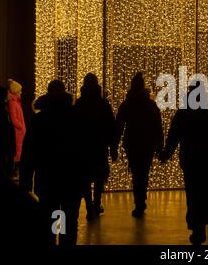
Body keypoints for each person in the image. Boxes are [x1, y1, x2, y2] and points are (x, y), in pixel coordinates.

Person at [20, 80, 85, 246]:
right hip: (71, 177)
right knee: (70, 219)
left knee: (52, 217)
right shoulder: (75, 116)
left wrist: (26, 180)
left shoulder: (40, 119)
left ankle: (52, 241)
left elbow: (29, 151)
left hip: (48, 177)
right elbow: (83, 148)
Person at [159, 79, 208, 245]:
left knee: (193, 193)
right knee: (203, 192)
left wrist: (166, 153)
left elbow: (174, 135)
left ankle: (196, 225)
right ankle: (200, 225)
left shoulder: (184, 113)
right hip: (207, 159)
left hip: (190, 159)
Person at [113, 72, 163, 218]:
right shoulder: (150, 104)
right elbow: (158, 126)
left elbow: (119, 126)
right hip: (147, 143)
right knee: (143, 173)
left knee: (136, 173)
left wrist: (114, 146)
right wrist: (160, 145)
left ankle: (139, 202)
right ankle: (141, 200)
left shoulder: (127, 104)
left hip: (132, 143)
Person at [74, 73, 116, 220]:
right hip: (99, 146)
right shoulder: (103, 104)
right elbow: (111, 126)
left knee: (85, 178)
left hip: (83, 147)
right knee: (99, 177)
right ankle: (96, 203)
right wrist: (113, 147)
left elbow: (74, 127)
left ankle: (89, 206)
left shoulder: (79, 103)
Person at [7, 79, 26, 178]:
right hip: (17, 132)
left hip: (20, 132)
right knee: (16, 153)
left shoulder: (17, 102)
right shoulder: (13, 103)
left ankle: (15, 172)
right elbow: (14, 119)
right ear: (15, 91)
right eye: (20, 90)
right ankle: (13, 172)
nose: (21, 92)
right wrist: (21, 127)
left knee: (19, 152)